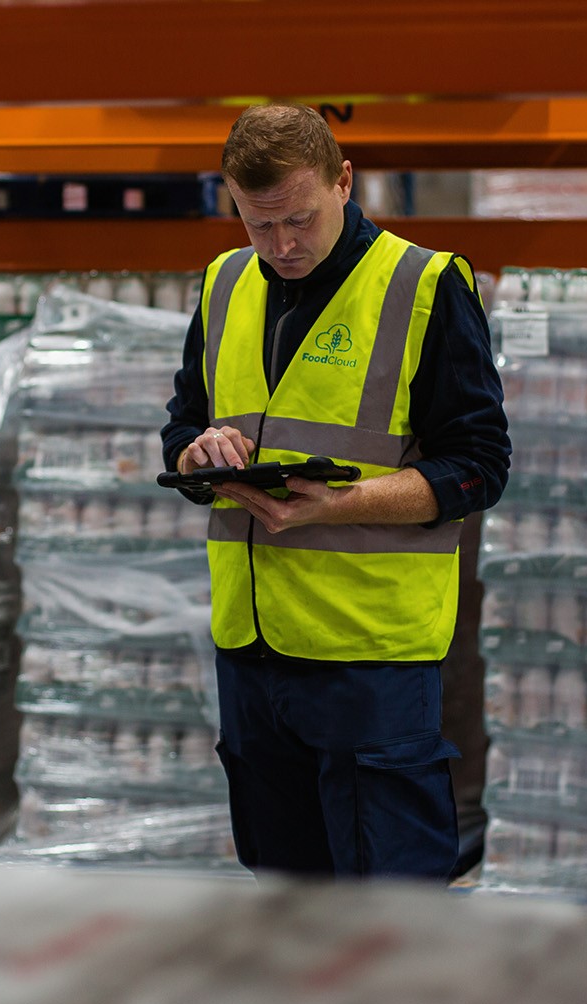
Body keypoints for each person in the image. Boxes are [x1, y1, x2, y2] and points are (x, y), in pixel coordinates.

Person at [162, 103, 510, 880]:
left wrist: (340, 504)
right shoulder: (224, 285)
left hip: (370, 660)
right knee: (285, 899)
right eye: (259, 225)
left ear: (344, 181)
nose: (282, 246)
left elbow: (480, 466)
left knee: (386, 906)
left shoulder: (422, 285)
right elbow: (180, 426)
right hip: (252, 653)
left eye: (301, 220)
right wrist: (199, 454)